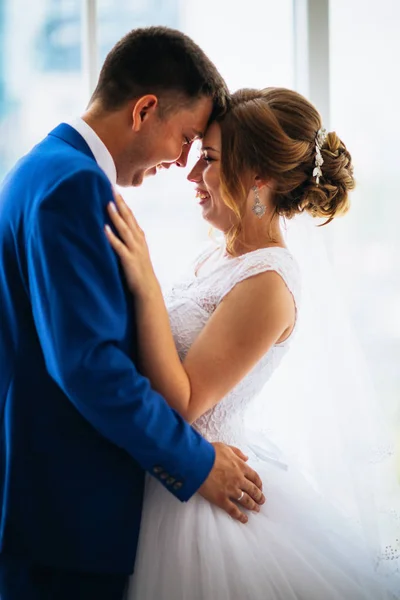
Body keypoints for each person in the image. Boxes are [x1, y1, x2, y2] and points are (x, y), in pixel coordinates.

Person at [0, 27, 265, 600]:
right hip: (64, 517)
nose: (183, 162)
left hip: (42, 503)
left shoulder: (38, 168)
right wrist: (196, 463)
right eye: (187, 137)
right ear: (145, 109)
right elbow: (89, 366)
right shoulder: (74, 186)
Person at [107, 87, 399, 599]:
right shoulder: (216, 259)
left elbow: (185, 401)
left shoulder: (269, 282)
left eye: (210, 160)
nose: (193, 174)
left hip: (195, 512)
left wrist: (145, 282)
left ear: (257, 177)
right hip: (162, 479)